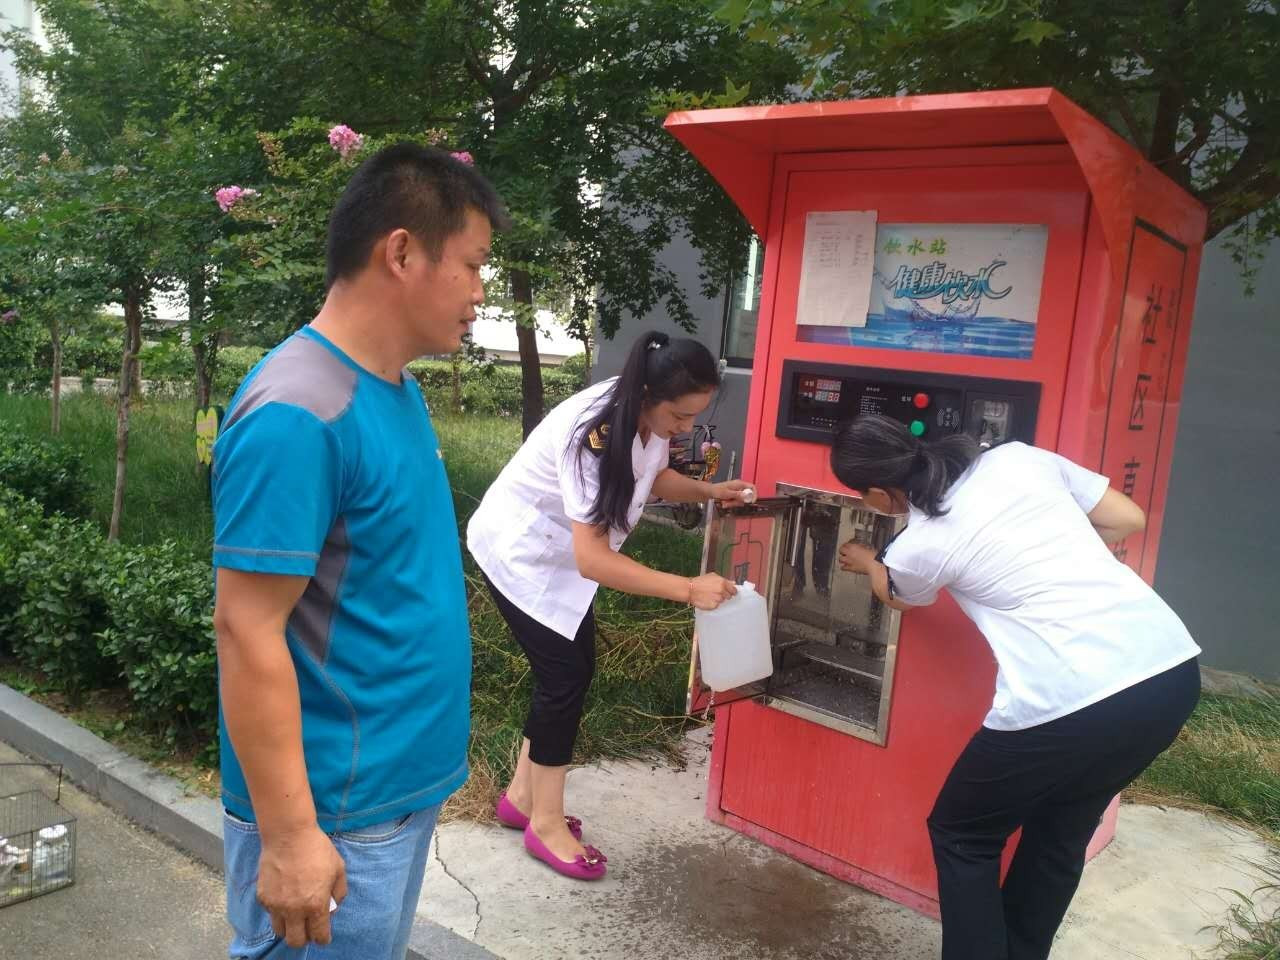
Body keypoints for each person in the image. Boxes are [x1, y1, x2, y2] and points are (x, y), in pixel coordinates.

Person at [212, 144, 508, 960]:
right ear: (403, 251)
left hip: (393, 794)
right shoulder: (298, 412)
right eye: (475, 266)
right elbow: (244, 629)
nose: (482, 293)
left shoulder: (393, 386)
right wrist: (290, 835)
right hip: (335, 817)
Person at [830, 414, 1200, 960]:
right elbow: (1128, 517)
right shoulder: (1016, 458)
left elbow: (900, 594)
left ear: (880, 494)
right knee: (1060, 832)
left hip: (1069, 699)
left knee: (962, 834)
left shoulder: (917, 545)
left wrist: (866, 559)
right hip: (1167, 673)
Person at [466, 331, 753, 880]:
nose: (686, 428)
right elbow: (593, 560)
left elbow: (653, 475)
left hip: (560, 558)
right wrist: (689, 588)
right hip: (521, 553)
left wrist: (710, 492)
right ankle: (544, 823)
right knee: (564, 674)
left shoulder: (640, 414)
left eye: (694, 417)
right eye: (681, 416)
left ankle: (522, 799)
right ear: (648, 393)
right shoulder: (593, 435)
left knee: (569, 672)